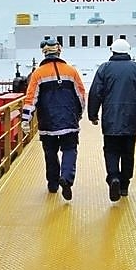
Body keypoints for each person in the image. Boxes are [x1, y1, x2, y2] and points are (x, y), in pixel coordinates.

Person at [87, 39, 136, 201]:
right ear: (128, 51)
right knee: (128, 152)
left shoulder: (104, 68)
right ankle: (124, 185)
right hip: (132, 118)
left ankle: (113, 178)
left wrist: (93, 115)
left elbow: (95, 92)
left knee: (110, 150)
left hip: (110, 119)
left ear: (112, 51)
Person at [21, 36, 86, 200]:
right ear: (59, 51)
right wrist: (79, 114)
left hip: (47, 122)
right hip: (69, 120)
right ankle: (66, 177)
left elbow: (31, 99)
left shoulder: (38, 74)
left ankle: (53, 184)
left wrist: (25, 120)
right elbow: (81, 96)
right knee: (70, 150)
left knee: (50, 153)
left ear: (44, 53)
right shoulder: (71, 71)